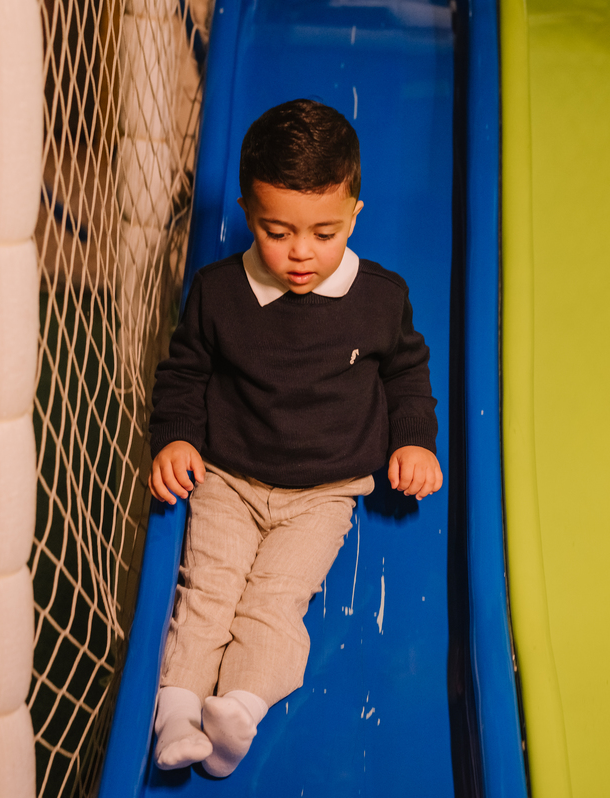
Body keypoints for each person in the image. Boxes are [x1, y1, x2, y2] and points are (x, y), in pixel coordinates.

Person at [145, 99, 443, 777]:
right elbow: (184, 373)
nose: (301, 252)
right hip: (228, 476)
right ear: (249, 213)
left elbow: (406, 372)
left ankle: (240, 711)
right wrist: (176, 438)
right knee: (207, 591)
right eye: (277, 232)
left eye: (324, 232)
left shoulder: (380, 297)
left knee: (277, 601)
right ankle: (176, 713)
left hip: (324, 491)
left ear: (354, 216)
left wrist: (415, 440)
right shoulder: (218, 293)